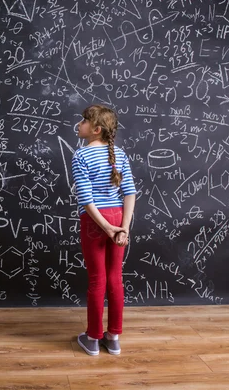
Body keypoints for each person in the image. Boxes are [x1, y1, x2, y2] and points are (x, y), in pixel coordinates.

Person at [71, 104, 136, 356]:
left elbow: (86, 200)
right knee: (115, 278)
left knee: (98, 280)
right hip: (118, 217)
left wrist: (107, 228)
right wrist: (123, 228)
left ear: (96, 130)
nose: (79, 123)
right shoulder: (119, 154)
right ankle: (114, 338)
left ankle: (93, 339)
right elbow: (129, 193)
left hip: (95, 221)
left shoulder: (81, 155)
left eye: (84, 120)